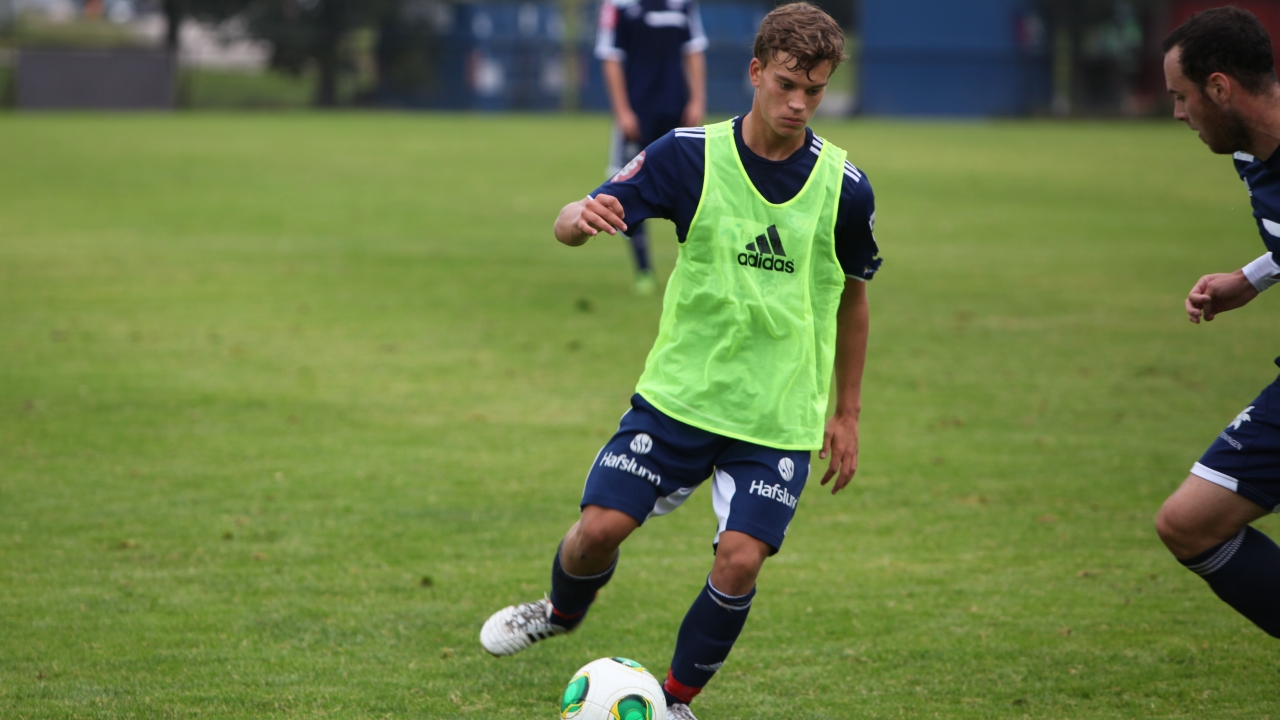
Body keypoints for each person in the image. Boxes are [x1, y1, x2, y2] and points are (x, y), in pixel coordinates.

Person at [480, 4, 881, 718]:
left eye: (815, 91)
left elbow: (854, 297)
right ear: (755, 72)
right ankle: (561, 611)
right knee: (597, 530)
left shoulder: (845, 189)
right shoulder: (688, 154)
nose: (799, 103)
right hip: (680, 398)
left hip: (775, 415)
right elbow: (579, 216)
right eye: (787, 83)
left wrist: (846, 413)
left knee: (741, 559)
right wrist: (576, 218)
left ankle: (671, 702)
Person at [1155, 6, 1280, 639]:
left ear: (1220, 88)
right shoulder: (1252, 154)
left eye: (1182, 97)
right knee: (1188, 523)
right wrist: (1252, 277)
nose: (1178, 114)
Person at [595, 0, 707, 295]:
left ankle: (700, 269)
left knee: (696, 190)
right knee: (628, 190)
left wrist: (697, 100)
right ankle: (643, 270)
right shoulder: (617, 5)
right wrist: (622, 112)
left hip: (677, 113)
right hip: (638, 113)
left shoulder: (682, 4)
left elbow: (693, 49)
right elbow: (610, 58)